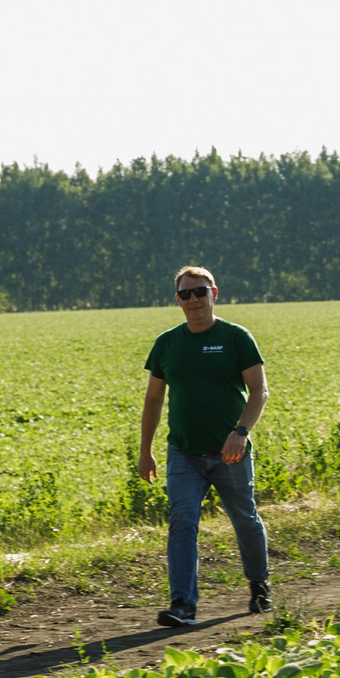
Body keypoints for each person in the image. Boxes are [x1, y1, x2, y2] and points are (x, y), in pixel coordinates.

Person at [137, 265, 270, 627]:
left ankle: (259, 585)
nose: (194, 299)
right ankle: (183, 604)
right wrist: (145, 449)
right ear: (177, 299)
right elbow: (153, 400)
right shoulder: (167, 343)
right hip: (184, 452)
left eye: (200, 291)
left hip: (231, 452)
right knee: (182, 521)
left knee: (245, 519)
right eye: (186, 294)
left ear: (214, 293)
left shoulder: (236, 337)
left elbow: (259, 390)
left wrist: (240, 431)